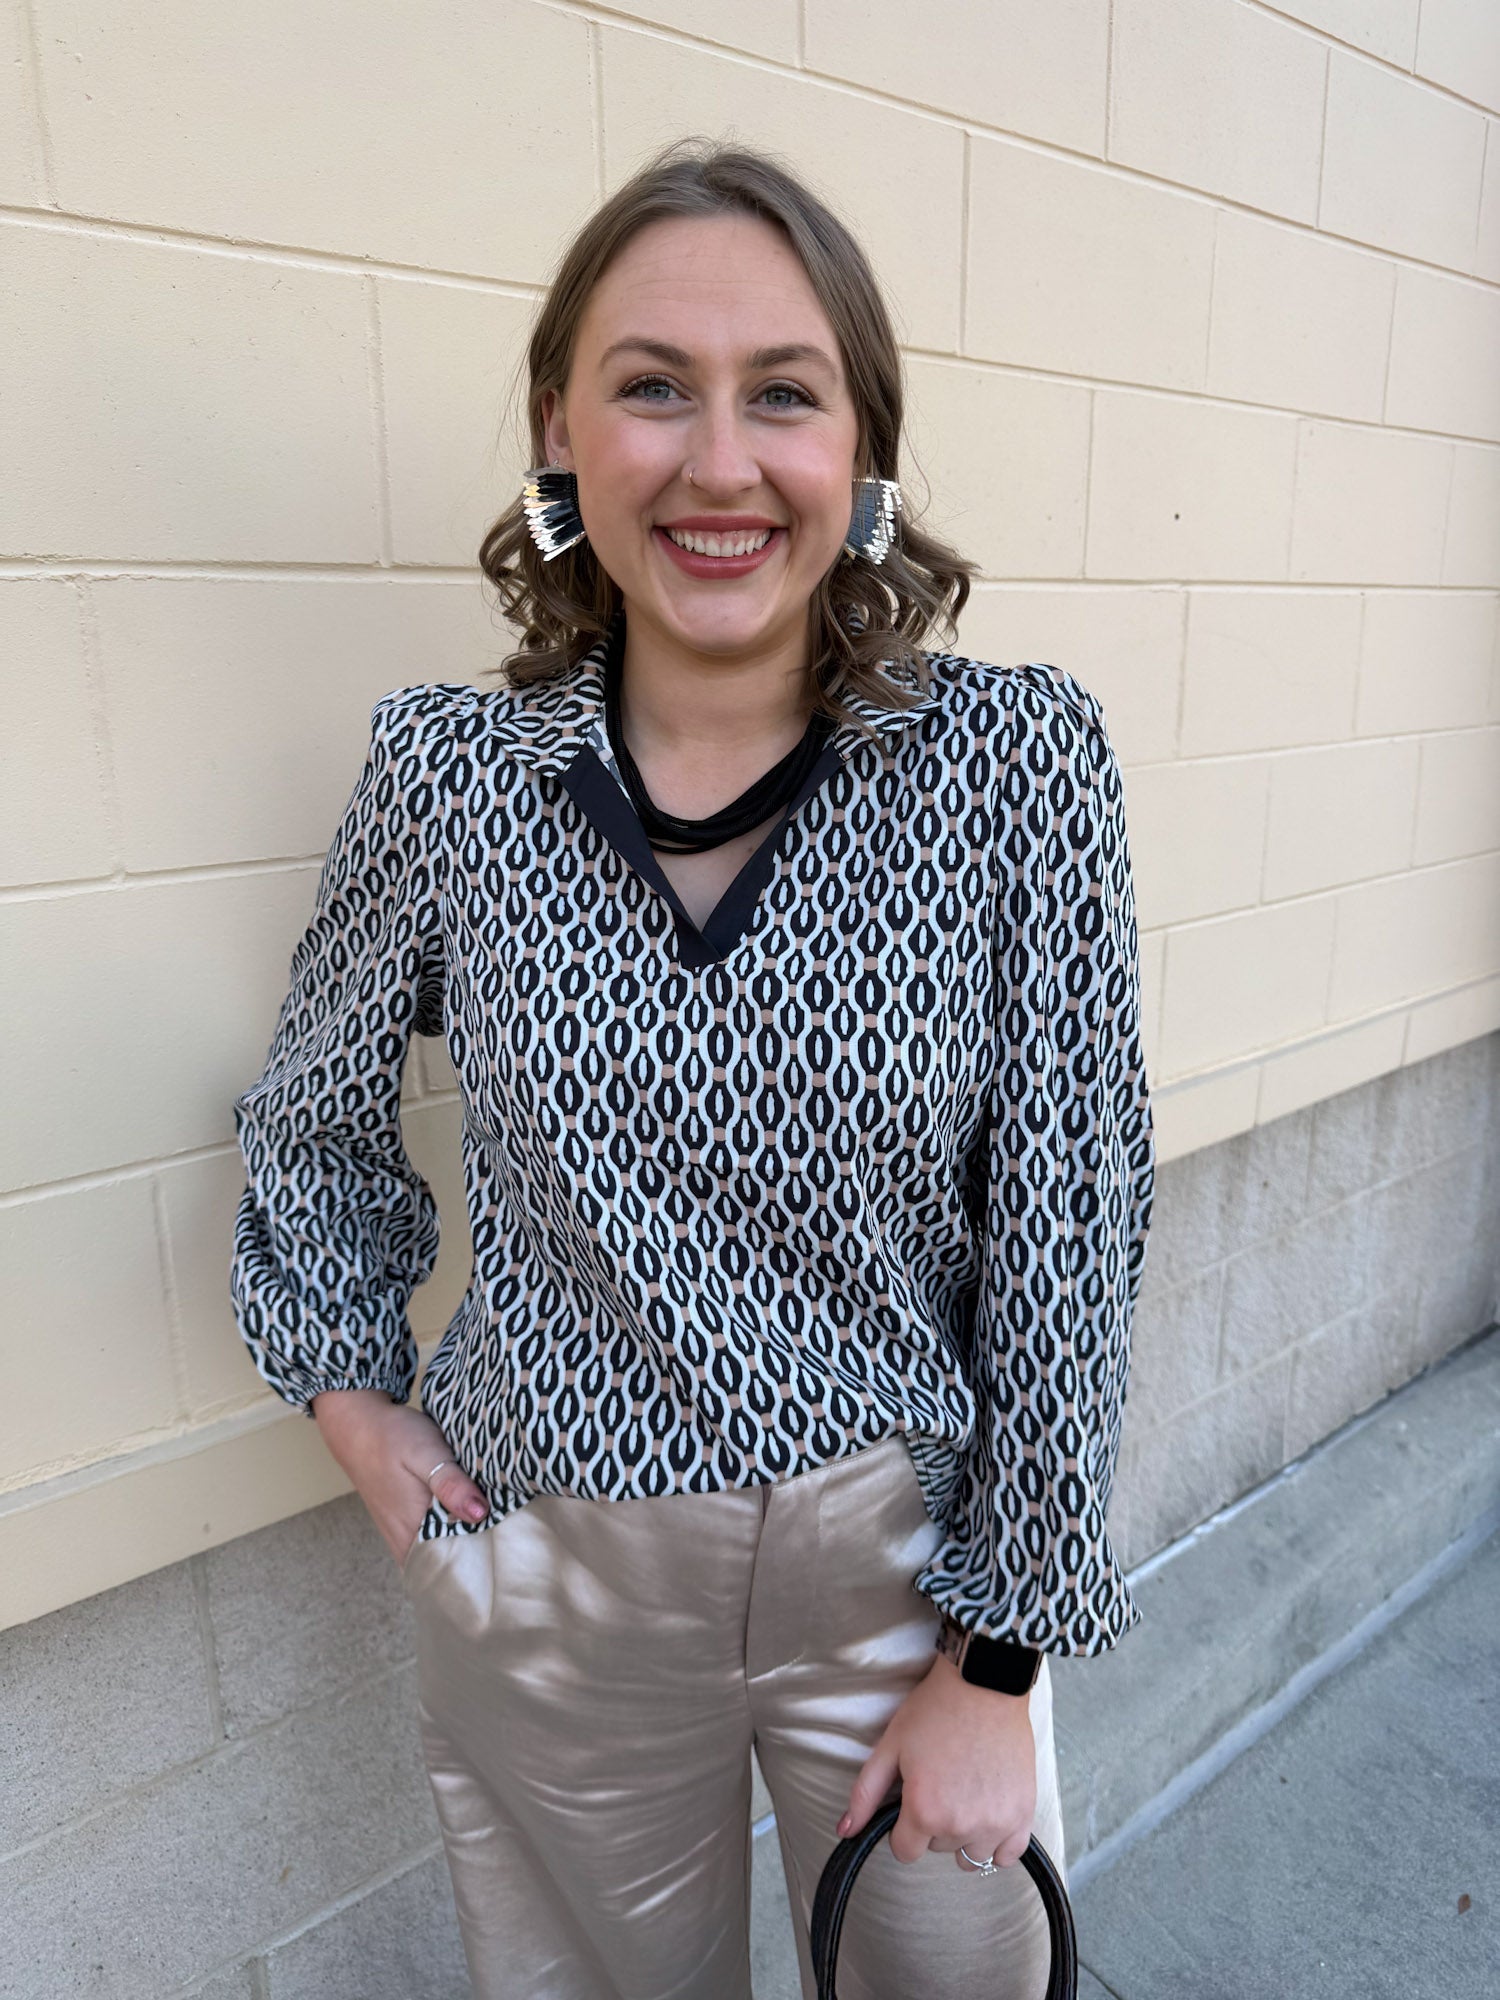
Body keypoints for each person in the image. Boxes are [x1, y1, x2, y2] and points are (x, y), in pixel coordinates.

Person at [229, 136, 1154, 2000]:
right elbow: (311, 1115)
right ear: (561, 433)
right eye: (654, 387)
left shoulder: (1016, 764)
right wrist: (355, 1405)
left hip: (906, 1582)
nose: (719, 462)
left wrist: (999, 1662)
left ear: (862, 450)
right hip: (552, 1573)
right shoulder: (450, 778)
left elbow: (1073, 1221)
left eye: (783, 395)